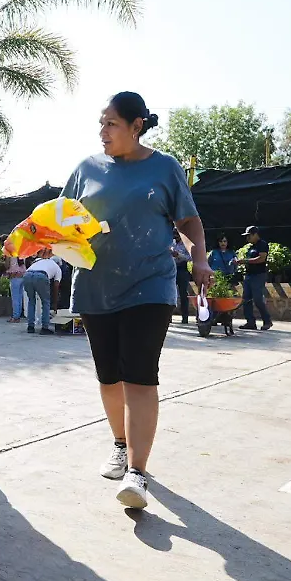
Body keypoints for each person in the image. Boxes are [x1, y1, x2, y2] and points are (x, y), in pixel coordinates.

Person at [61, 91, 211, 509]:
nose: (102, 131)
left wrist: (199, 258)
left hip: (149, 284)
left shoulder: (164, 168)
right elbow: (60, 219)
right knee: (109, 376)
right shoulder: (86, 169)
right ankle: (120, 443)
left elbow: (188, 220)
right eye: (101, 123)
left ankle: (137, 473)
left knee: (139, 375)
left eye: (111, 123)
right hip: (95, 286)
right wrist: (33, 239)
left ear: (136, 126)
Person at [239, 225, 273, 331]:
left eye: (249, 235)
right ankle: (250, 322)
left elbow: (261, 259)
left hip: (258, 275)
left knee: (258, 299)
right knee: (246, 299)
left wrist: (245, 261)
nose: (247, 238)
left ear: (255, 234)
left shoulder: (262, 245)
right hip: (249, 275)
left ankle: (267, 321)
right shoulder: (251, 247)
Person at [22, 249, 61, 335]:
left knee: (31, 301)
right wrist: (55, 303)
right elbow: (56, 286)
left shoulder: (39, 261)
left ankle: (30, 327)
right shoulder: (57, 268)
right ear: (59, 263)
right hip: (41, 276)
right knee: (46, 302)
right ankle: (44, 328)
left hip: (27, 275)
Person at [0, 239, 28, 323]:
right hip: (23, 275)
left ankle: (15, 317)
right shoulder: (21, 250)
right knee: (20, 297)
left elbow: (7, 265)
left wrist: (2, 263)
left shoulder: (9, 251)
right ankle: (18, 315)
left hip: (14, 276)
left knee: (15, 298)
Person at [171, 231, 192, 324]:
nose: (175, 237)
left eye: (177, 235)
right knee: (170, 293)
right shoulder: (170, 243)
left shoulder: (185, 244)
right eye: (174, 235)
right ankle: (169, 317)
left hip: (182, 269)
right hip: (171, 269)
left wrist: (179, 255)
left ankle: (185, 317)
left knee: (183, 294)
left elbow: (190, 258)